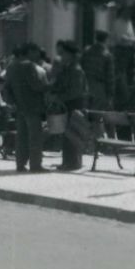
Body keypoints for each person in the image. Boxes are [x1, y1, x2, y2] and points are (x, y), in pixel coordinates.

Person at [4, 44, 49, 173]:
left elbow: (7, 88)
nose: (38, 55)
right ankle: (36, 165)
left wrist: (12, 102)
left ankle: (20, 164)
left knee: (21, 137)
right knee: (35, 137)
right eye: (36, 52)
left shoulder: (11, 67)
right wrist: (49, 86)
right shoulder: (29, 66)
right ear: (29, 52)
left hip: (19, 107)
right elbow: (35, 86)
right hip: (33, 106)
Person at [47, 40, 89, 171]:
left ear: (71, 55)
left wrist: (59, 98)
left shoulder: (76, 70)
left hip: (74, 105)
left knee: (73, 134)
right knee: (66, 135)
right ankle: (67, 161)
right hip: (66, 105)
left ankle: (74, 162)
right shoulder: (67, 68)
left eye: (64, 53)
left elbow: (75, 92)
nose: (61, 56)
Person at [80, 31, 116, 113]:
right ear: (106, 40)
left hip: (85, 85)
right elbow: (110, 77)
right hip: (99, 87)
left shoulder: (86, 51)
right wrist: (110, 94)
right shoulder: (107, 55)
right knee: (97, 114)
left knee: (85, 113)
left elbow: (81, 66)